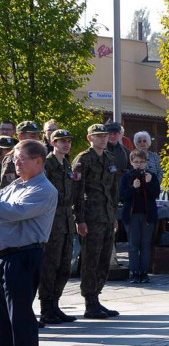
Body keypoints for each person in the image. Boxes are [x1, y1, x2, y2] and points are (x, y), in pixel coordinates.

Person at [0, 140, 57, 346]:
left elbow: (15, 212)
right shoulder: (14, 185)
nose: (16, 162)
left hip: (23, 256)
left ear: (38, 161)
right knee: (3, 316)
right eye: (14, 158)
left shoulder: (44, 189)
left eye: (21, 158)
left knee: (20, 315)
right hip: (5, 255)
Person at [72, 124, 120, 319]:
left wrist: (114, 216)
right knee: (90, 260)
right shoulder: (83, 160)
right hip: (90, 217)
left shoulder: (109, 158)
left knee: (103, 260)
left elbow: (113, 190)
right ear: (89, 138)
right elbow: (77, 192)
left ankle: (97, 298)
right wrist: (79, 219)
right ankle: (89, 301)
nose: (103, 139)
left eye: (105, 136)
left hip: (107, 216)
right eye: (98, 136)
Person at [38, 130, 79, 324]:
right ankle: (46, 308)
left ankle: (55, 304)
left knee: (64, 266)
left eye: (68, 141)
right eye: (62, 141)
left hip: (66, 221)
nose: (66, 144)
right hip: (52, 220)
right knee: (50, 265)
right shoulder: (48, 163)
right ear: (53, 143)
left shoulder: (66, 163)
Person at [119, 149, 160, 283]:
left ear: (146, 163)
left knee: (145, 245)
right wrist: (132, 187)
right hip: (131, 216)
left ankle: (144, 272)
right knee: (133, 245)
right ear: (131, 162)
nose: (139, 165)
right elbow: (122, 196)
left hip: (147, 216)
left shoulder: (151, 176)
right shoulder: (126, 177)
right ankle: (134, 272)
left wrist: (148, 183)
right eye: (136, 162)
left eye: (142, 162)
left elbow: (155, 195)